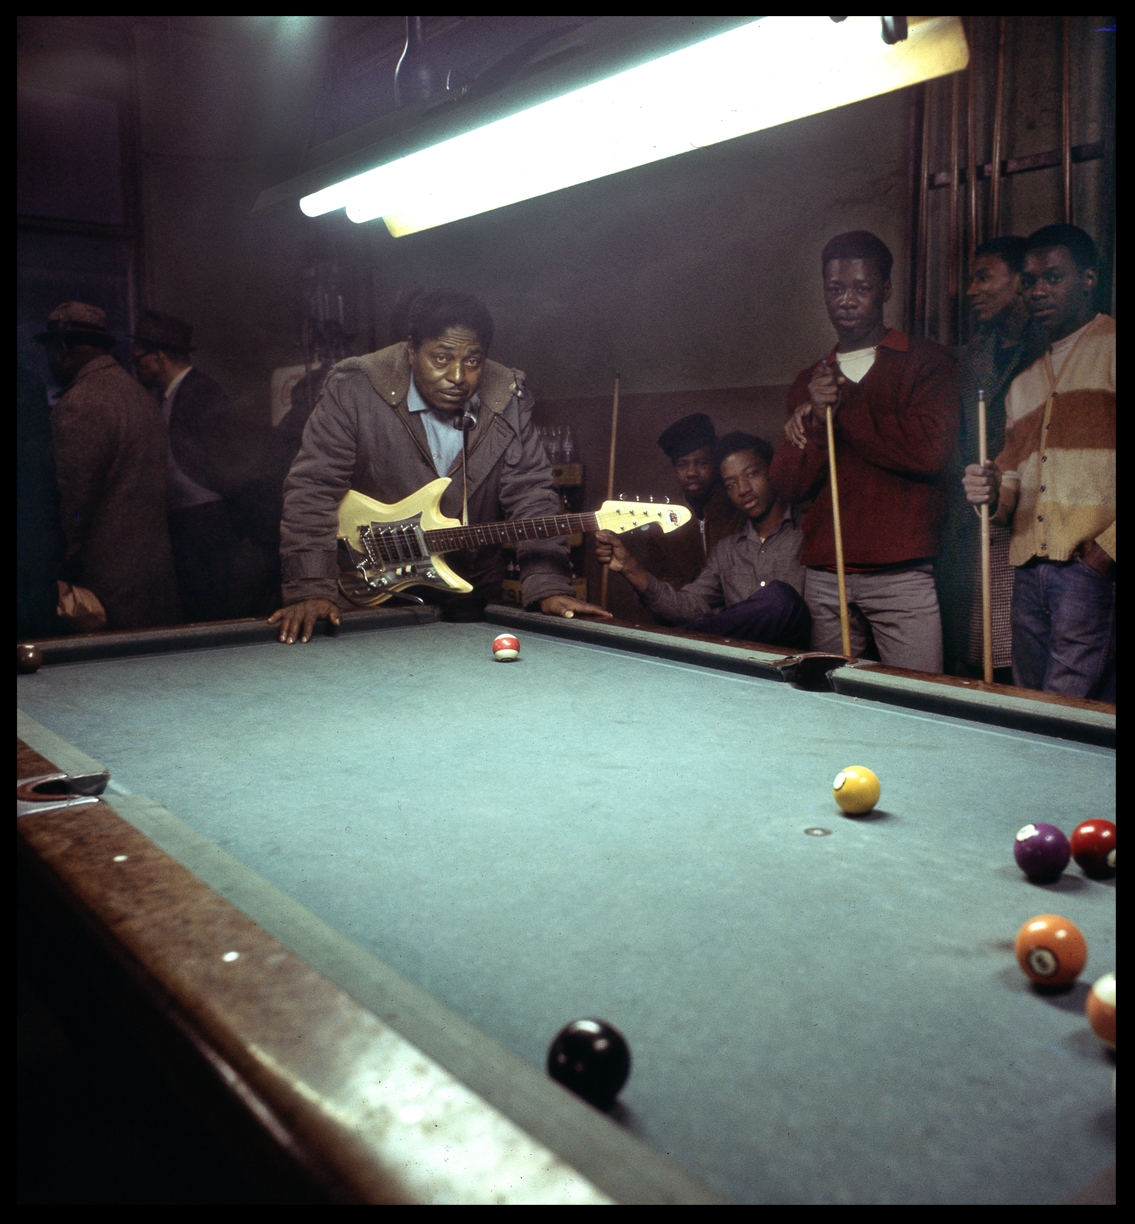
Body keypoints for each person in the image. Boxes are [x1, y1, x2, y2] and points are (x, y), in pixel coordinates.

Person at [272, 290, 607, 643]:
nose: (458, 376)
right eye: (441, 358)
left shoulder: (506, 397)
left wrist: (549, 587)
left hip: (470, 597)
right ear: (412, 350)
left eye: (473, 361)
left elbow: (533, 496)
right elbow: (312, 490)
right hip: (367, 592)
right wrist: (310, 587)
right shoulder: (356, 389)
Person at [770, 230, 958, 670]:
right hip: (825, 576)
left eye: (861, 287)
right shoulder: (809, 380)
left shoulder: (926, 361)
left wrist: (842, 404)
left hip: (901, 575)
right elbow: (789, 485)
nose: (847, 300)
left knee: (917, 703)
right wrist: (816, 419)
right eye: (835, 289)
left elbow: (930, 453)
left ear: (886, 290)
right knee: (834, 707)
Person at [963, 224, 1114, 700]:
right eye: (1029, 281)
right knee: (1033, 705)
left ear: (1088, 279)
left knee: (1071, 712)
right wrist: (989, 491)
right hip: (1027, 573)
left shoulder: (1113, 348)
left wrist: (1105, 554)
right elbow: (1011, 484)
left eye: (1054, 277)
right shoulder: (1025, 381)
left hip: (1088, 569)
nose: (1039, 291)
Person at [36, 302, 180, 631]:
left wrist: (46, 575)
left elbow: (71, 507)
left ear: (61, 349)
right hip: (154, 587)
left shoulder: (81, 403)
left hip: (104, 598)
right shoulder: (141, 397)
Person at [595, 432, 810, 647]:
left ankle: (667, 643)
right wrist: (630, 567)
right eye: (731, 485)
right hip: (745, 665)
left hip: (796, 660)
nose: (743, 490)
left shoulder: (809, 534)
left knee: (780, 598)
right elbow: (690, 607)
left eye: (752, 474)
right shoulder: (726, 550)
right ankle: (670, 642)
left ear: (772, 471)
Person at [942, 237, 1045, 679]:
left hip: (1033, 523)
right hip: (974, 524)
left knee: (1027, 660)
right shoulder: (964, 360)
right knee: (976, 655)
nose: (971, 290)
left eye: (984, 277)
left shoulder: (1049, 349)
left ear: (1021, 282)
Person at [132, 311, 267, 622]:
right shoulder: (170, 396)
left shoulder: (201, 392)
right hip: (189, 531)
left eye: (140, 358)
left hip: (209, 530)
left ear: (160, 356)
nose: (137, 366)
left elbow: (233, 467)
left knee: (213, 615)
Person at [641, 413, 745, 590]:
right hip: (687, 614)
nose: (691, 473)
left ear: (715, 464)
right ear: (675, 469)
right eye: (683, 465)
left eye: (702, 463)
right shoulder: (661, 525)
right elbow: (662, 586)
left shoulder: (740, 512)